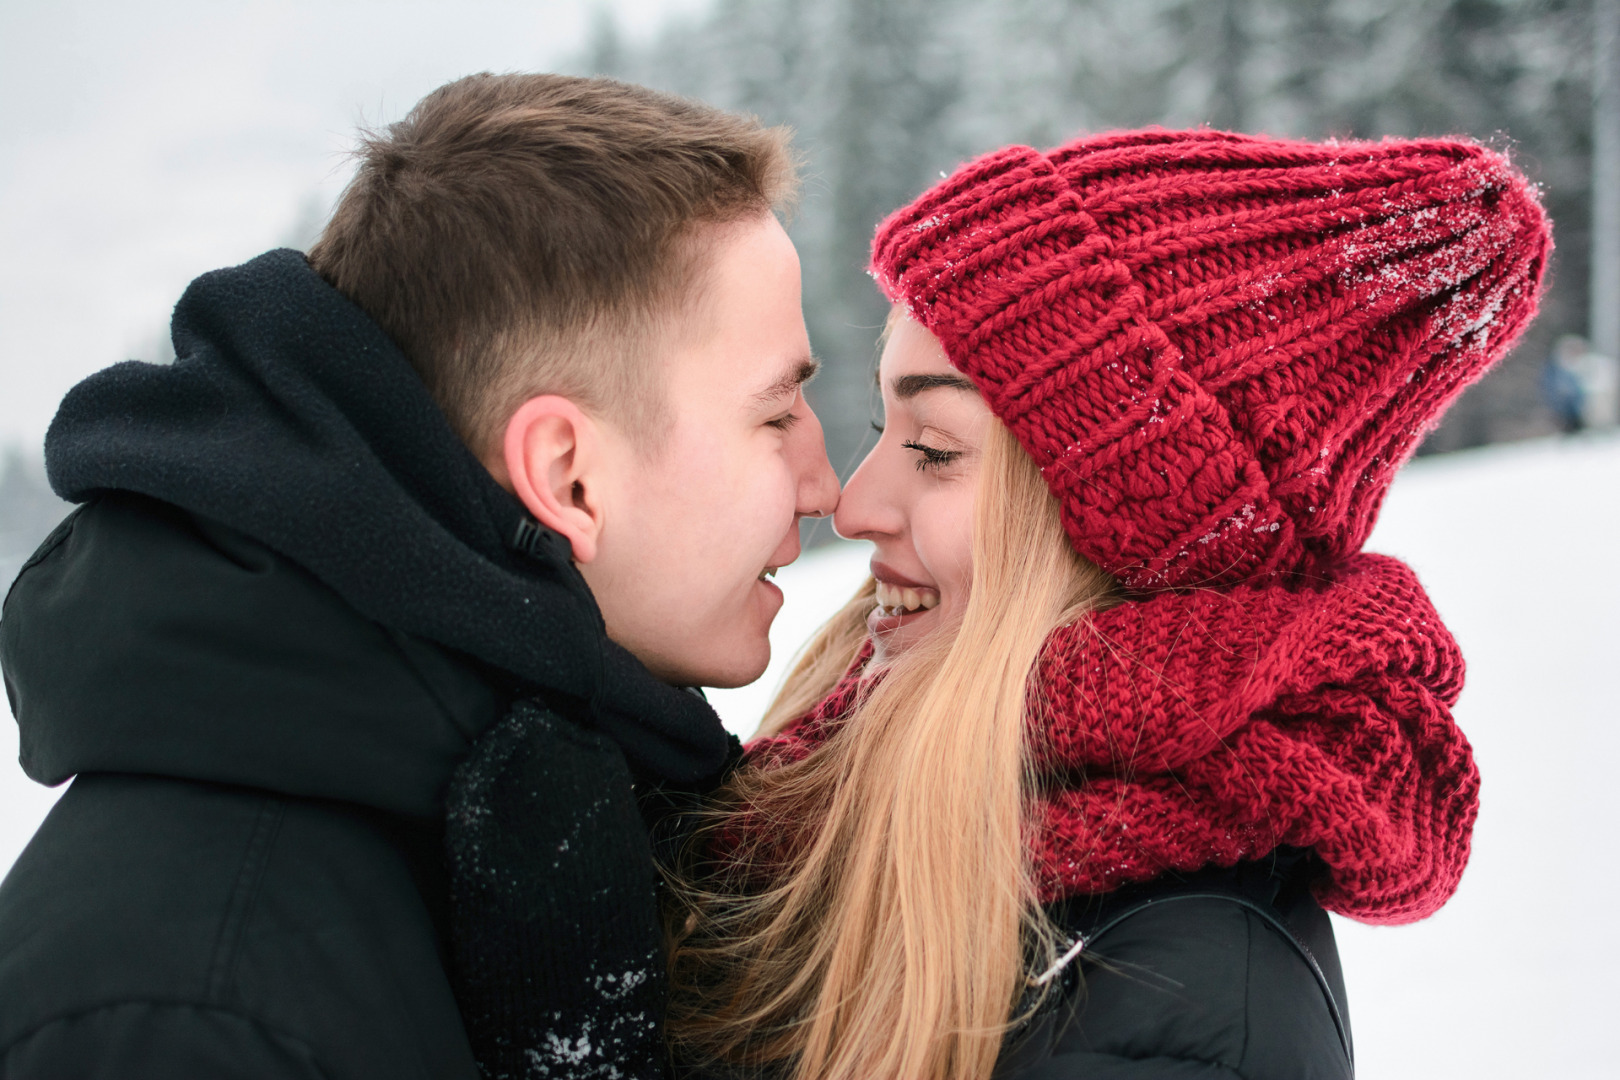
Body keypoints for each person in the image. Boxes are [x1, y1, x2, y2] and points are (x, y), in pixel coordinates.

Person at [663, 130, 1552, 1080]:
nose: (853, 503)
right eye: (884, 427)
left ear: (1130, 534)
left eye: (934, 450)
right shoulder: (864, 765)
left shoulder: (1186, 1022)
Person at [0, 74, 838, 1078]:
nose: (827, 485)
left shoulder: (578, 816)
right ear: (570, 478)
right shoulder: (180, 1021)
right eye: (776, 415)